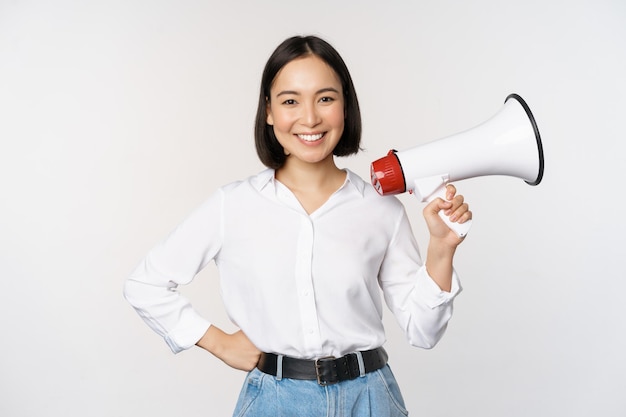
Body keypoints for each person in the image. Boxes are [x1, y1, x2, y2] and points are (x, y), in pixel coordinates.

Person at [124, 35, 472, 417]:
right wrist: (218, 342)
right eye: (291, 101)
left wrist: (442, 248)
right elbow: (145, 284)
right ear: (269, 111)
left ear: (346, 107)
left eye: (325, 98)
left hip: (371, 400)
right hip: (273, 402)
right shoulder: (233, 205)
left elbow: (424, 332)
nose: (310, 118)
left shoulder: (381, 209)